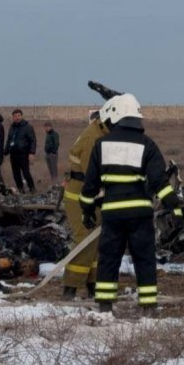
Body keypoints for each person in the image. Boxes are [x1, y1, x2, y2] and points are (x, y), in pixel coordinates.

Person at [80, 94, 182, 313]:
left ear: (114, 115)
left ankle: (105, 306)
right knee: (144, 260)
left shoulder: (101, 145)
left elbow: (89, 185)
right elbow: (159, 182)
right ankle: (148, 306)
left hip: (112, 215)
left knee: (108, 259)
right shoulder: (148, 144)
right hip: (140, 215)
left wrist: (87, 210)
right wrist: (174, 205)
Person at [61, 111, 109, 300]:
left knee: (96, 242)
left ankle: (93, 284)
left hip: (91, 194)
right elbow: (94, 173)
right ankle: (71, 286)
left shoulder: (99, 133)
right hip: (81, 195)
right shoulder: (93, 139)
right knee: (85, 239)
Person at [4, 109, 37, 193]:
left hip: (23, 154)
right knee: (16, 174)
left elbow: (32, 140)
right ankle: (21, 190)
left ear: (21, 116)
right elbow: (9, 140)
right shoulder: (12, 128)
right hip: (13, 154)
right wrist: (5, 151)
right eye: (15, 116)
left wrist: (32, 153)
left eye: (18, 115)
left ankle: (32, 189)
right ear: (13, 117)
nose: (17, 117)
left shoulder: (27, 127)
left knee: (26, 173)